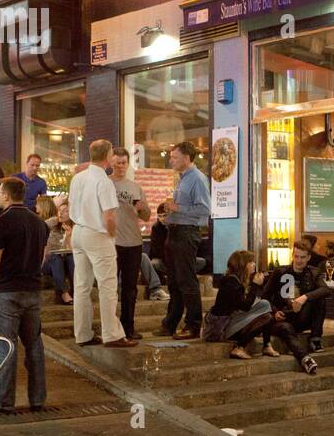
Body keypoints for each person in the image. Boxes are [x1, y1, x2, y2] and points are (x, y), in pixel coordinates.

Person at [0, 177, 50, 412]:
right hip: (32, 290)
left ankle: (3, 401)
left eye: (0, 192)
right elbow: (42, 256)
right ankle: (38, 398)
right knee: (34, 345)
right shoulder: (40, 224)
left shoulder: (1, 222)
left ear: (7, 195)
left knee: (4, 346)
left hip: (6, 290)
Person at [67, 140, 136, 348]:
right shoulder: (104, 181)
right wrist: (112, 236)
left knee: (82, 286)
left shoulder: (78, 178)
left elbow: (71, 204)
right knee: (107, 286)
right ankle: (112, 334)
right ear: (108, 156)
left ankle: (83, 334)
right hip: (96, 233)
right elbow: (109, 217)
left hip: (78, 231)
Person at [156, 142, 210, 340]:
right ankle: (170, 323)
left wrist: (178, 209)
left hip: (187, 233)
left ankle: (193, 325)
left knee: (187, 281)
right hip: (174, 232)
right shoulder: (182, 178)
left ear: (187, 158)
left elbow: (205, 210)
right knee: (174, 282)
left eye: (174, 157)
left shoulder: (197, 179)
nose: (171, 160)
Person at [262, 238, 325, 374]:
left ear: (308, 257)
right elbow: (264, 296)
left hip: (302, 316)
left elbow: (325, 290)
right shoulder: (281, 272)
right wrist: (274, 311)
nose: (299, 260)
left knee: (320, 299)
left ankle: (315, 338)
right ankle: (305, 359)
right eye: (296, 256)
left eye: (302, 257)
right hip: (283, 318)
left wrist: (304, 298)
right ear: (292, 255)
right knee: (286, 328)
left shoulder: (314, 272)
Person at [109, 147, 152, 340]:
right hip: (112, 242)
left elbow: (146, 216)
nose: (120, 166)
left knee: (130, 289)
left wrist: (143, 209)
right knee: (110, 288)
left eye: (123, 163)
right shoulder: (106, 184)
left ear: (128, 164)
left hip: (134, 242)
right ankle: (110, 328)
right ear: (110, 163)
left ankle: (128, 327)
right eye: (117, 162)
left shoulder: (135, 186)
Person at [209, 250, 275, 360]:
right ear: (243, 265)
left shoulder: (235, 279)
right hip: (221, 328)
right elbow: (245, 306)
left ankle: (267, 345)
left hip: (231, 320)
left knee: (265, 304)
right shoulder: (231, 282)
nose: (254, 264)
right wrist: (255, 285)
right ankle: (240, 347)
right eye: (251, 262)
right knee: (266, 317)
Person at [38, 196, 75, 305]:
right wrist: (56, 219)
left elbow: (72, 249)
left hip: (65, 262)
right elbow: (41, 226)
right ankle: (64, 292)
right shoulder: (52, 223)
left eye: (65, 211)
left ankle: (76, 291)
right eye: (60, 210)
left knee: (71, 257)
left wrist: (69, 236)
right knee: (55, 257)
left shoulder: (75, 227)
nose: (62, 213)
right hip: (47, 261)